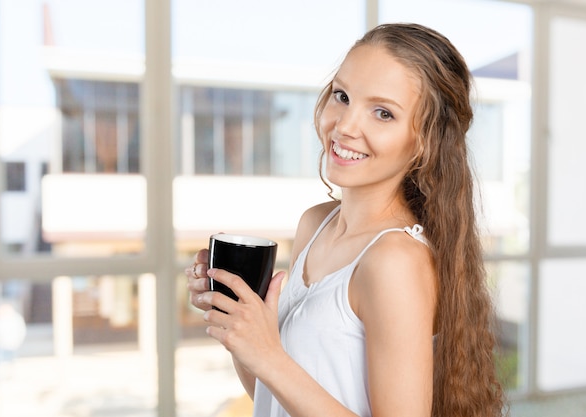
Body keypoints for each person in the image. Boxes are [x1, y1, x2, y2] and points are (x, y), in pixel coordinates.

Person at [186, 22, 507, 417]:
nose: (345, 126)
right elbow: (274, 399)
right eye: (342, 96)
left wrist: (269, 355)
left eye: (383, 113)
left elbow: (278, 369)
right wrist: (240, 328)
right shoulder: (315, 224)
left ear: (425, 141)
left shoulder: (395, 261)